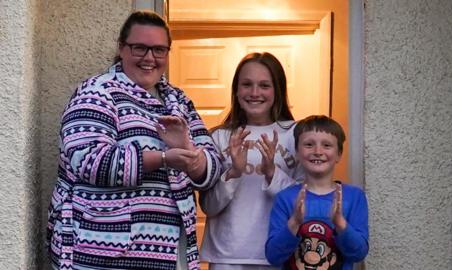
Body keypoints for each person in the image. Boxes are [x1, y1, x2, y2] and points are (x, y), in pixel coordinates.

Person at [45, 10, 222, 270]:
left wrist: (189, 154)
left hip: (168, 250)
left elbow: (213, 163)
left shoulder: (178, 100)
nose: (150, 58)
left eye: (159, 50)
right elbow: (90, 161)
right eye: (140, 48)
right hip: (103, 252)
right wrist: (162, 158)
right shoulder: (97, 92)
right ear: (122, 48)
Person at [199, 52, 302, 269]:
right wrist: (234, 173)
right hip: (227, 256)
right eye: (247, 84)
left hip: (280, 253)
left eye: (264, 85)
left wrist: (272, 173)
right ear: (236, 91)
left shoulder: (296, 135)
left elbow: (306, 202)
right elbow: (209, 206)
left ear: (278, 91)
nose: (255, 93)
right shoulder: (218, 136)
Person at [265, 115, 369, 270]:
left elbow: (358, 253)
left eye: (327, 145)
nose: (318, 151)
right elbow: (273, 256)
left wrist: (341, 224)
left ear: (339, 154)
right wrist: (294, 223)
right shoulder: (285, 198)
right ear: (298, 153)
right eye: (309, 145)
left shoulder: (354, 197)